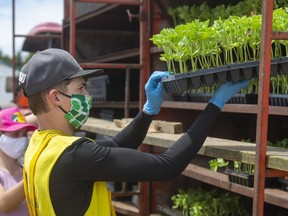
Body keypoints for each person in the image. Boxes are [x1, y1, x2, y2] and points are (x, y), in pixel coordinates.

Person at [18, 48, 249, 216]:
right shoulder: (75, 155)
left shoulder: (40, 147)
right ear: (55, 97)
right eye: (81, 87)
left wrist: (149, 110)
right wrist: (215, 104)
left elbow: (117, 147)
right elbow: (168, 164)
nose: (88, 96)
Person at [0, 107, 37, 216]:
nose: (22, 139)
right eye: (15, 134)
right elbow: (5, 205)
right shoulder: (29, 174)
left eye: (24, 134)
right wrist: (32, 175)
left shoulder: (24, 170)